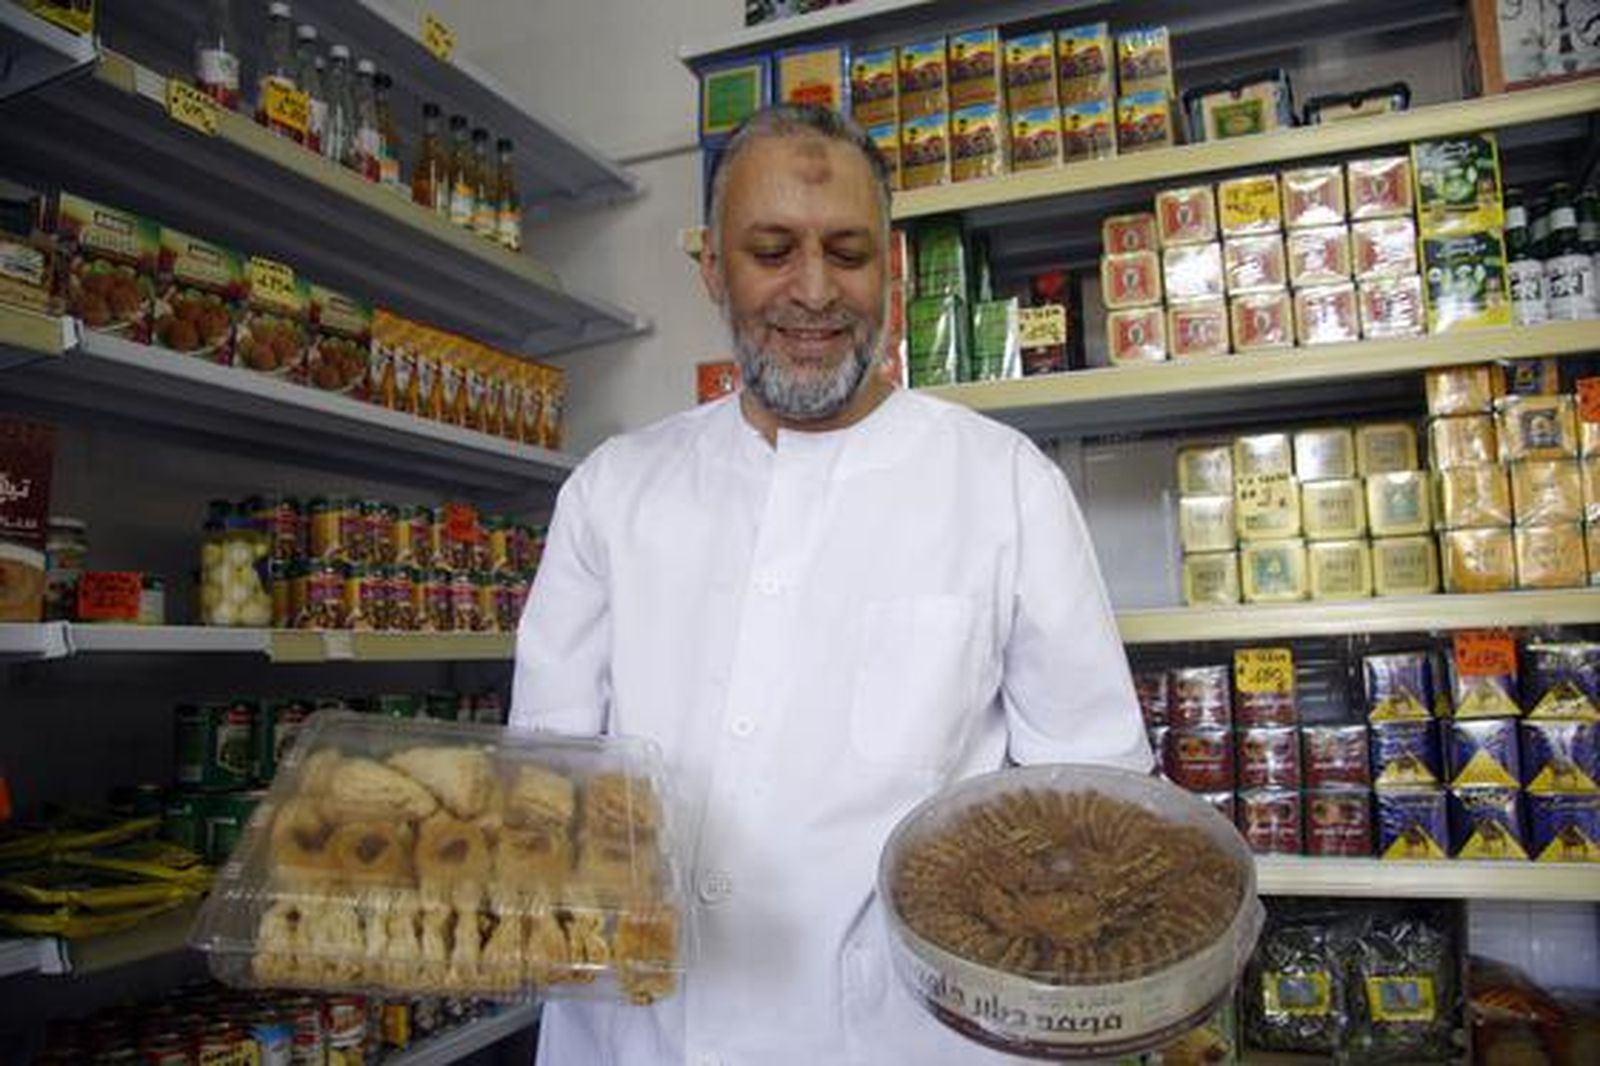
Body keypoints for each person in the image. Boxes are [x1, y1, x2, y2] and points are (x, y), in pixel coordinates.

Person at [510, 103, 1150, 1066]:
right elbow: (541, 791)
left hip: (904, 1040)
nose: (813, 292)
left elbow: (1098, 805)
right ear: (712, 268)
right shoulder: (614, 492)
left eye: (847, 253)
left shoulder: (1004, 484)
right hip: (639, 1038)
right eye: (771, 251)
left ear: (892, 269)